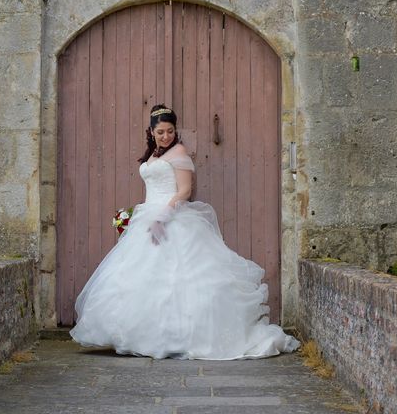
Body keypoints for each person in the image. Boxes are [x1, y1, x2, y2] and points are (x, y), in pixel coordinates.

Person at [69, 104, 299, 360]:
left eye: (169, 131)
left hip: (172, 217)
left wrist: (163, 217)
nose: (166, 136)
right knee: (140, 277)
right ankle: (143, 333)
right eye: (160, 132)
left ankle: (178, 337)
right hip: (149, 216)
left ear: (175, 131)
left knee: (179, 279)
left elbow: (184, 191)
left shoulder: (179, 152)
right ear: (151, 132)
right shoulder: (153, 154)